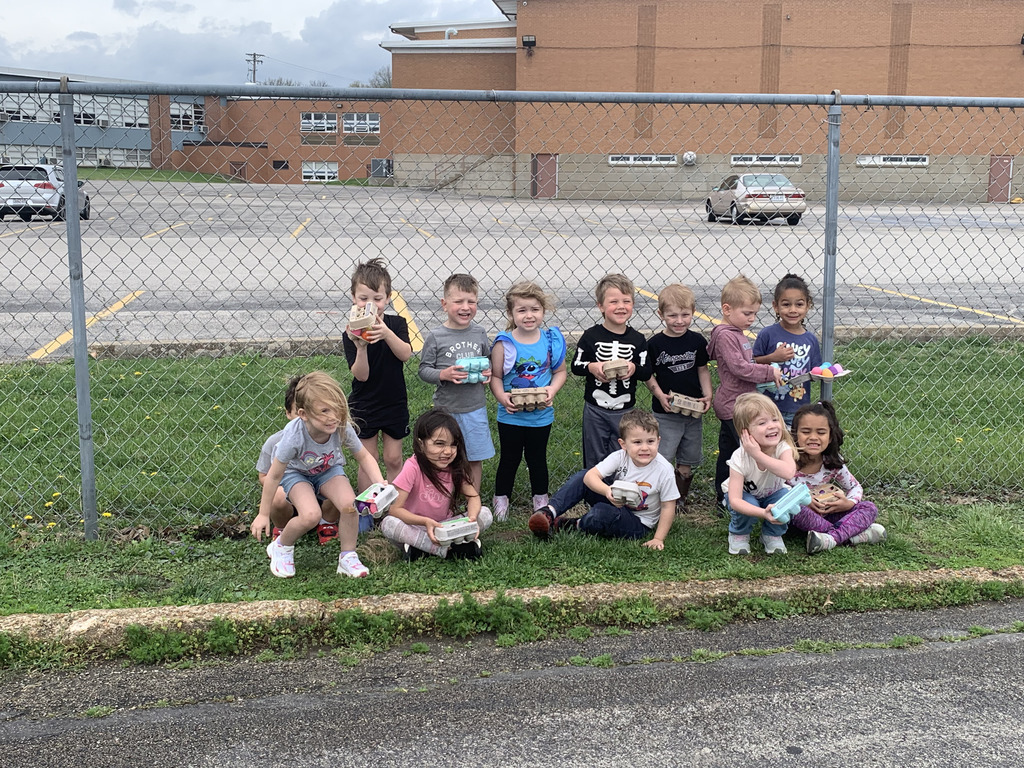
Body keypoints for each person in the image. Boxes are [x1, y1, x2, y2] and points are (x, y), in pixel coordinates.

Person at [251, 371, 386, 578]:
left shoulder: (341, 426)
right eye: (324, 411)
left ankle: (348, 557)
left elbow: (365, 457)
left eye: (337, 409)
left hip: (328, 469)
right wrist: (263, 514)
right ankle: (282, 546)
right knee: (310, 516)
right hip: (295, 473)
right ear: (303, 414)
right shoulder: (292, 436)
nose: (332, 417)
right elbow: (274, 476)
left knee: (350, 505)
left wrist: (379, 483)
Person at [528, 410, 679, 549]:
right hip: (616, 501)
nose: (645, 448)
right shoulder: (620, 456)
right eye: (637, 442)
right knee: (583, 476)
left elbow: (668, 506)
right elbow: (590, 477)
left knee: (602, 513)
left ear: (658, 441)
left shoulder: (664, 470)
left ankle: (569, 525)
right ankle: (549, 513)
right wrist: (607, 491)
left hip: (638, 522)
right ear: (623, 444)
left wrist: (658, 538)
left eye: (650, 441)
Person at [489, 280, 568, 519]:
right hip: (511, 415)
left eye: (534, 309)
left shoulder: (550, 340)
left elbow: (560, 371)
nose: (529, 315)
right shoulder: (505, 343)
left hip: (540, 415)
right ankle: (501, 498)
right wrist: (502, 397)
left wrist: (552, 390)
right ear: (511, 313)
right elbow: (495, 376)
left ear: (543, 311)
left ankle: (541, 500)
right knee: (509, 459)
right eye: (522, 310)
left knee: (537, 459)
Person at [707, 275, 784, 510]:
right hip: (733, 405)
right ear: (727, 309)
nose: (751, 319)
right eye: (747, 313)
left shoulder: (734, 331)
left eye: (754, 314)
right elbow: (739, 369)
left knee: (729, 451)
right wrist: (769, 372)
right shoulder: (725, 334)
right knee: (747, 451)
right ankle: (740, 496)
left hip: (740, 403)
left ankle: (727, 496)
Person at [379, 408, 492, 560]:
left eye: (453, 445)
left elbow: (473, 497)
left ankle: (421, 550)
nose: (448, 451)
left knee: (485, 514)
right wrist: (425, 522)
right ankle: (446, 550)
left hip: (445, 526)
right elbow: (395, 509)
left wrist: (472, 518)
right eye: (439, 444)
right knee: (389, 524)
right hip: (417, 526)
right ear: (421, 444)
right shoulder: (413, 467)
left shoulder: (454, 467)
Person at [418, 273, 493, 493]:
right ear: (444, 304)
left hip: (474, 408)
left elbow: (486, 359)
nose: (465, 307)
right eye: (458, 301)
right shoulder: (436, 336)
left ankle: (473, 497)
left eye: (471, 302)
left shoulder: (479, 332)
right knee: (444, 457)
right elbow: (424, 370)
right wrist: (444, 375)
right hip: (447, 410)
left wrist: (487, 371)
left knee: (474, 457)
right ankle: (443, 498)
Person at [343, 257, 413, 489]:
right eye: (363, 298)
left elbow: (405, 354)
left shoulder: (397, 324)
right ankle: (368, 507)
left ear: (388, 299)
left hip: (393, 400)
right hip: (365, 402)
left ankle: (397, 504)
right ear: (354, 298)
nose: (370, 304)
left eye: (377, 299)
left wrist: (386, 334)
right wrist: (361, 346)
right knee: (368, 459)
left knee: (393, 458)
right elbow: (361, 375)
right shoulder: (351, 332)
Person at [570, 273, 651, 468]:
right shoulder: (591, 336)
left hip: (625, 409)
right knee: (594, 455)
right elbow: (576, 365)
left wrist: (633, 367)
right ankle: (594, 494)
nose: (621, 306)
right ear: (601, 306)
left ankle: (620, 494)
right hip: (595, 408)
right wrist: (592, 366)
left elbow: (646, 371)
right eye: (613, 301)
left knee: (623, 454)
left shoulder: (638, 339)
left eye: (626, 301)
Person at [644, 283, 713, 510]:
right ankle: (659, 498)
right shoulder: (654, 344)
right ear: (661, 314)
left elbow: (702, 369)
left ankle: (680, 500)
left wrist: (708, 394)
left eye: (685, 315)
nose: (679, 321)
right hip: (666, 413)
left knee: (688, 459)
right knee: (663, 456)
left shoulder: (696, 341)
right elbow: (647, 374)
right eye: (672, 315)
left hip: (692, 412)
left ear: (693, 312)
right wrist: (659, 394)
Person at [788, 400, 886, 553]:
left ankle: (830, 539)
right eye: (806, 432)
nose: (813, 437)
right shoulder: (787, 460)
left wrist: (848, 503)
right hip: (797, 519)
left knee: (869, 507)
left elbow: (855, 487)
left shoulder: (831, 462)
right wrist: (803, 499)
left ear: (830, 437)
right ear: (794, 434)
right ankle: (854, 535)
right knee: (795, 508)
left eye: (821, 432)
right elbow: (776, 490)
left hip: (827, 513)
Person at [255, 373, 338, 544]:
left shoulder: (331, 434)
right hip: (290, 487)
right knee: (277, 496)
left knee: (342, 490)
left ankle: (327, 523)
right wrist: (283, 487)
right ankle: (282, 528)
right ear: (289, 413)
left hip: (320, 484)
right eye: (298, 412)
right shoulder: (276, 442)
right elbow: (265, 475)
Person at [722, 392, 798, 555]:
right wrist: (763, 513)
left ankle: (772, 535)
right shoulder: (739, 457)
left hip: (772, 493)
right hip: (745, 495)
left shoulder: (782, 447)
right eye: (762, 423)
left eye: (775, 419)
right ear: (745, 433)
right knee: (748, 504)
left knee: (785, 499)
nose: (771, 426)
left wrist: (758, 454)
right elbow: (735, 500)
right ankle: (739, 533)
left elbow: (788, 472)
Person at [753, 274, 822, 428]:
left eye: (799, 304)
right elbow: (752, 363)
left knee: (793, 449)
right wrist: (773, 357)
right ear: (775, 306)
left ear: (808, 305)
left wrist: (824, 373)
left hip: (798, 409)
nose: (792, 310)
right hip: (767, 409)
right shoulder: (767, 334)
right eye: (786, 304)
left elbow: (816, 371)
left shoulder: (810, 340)